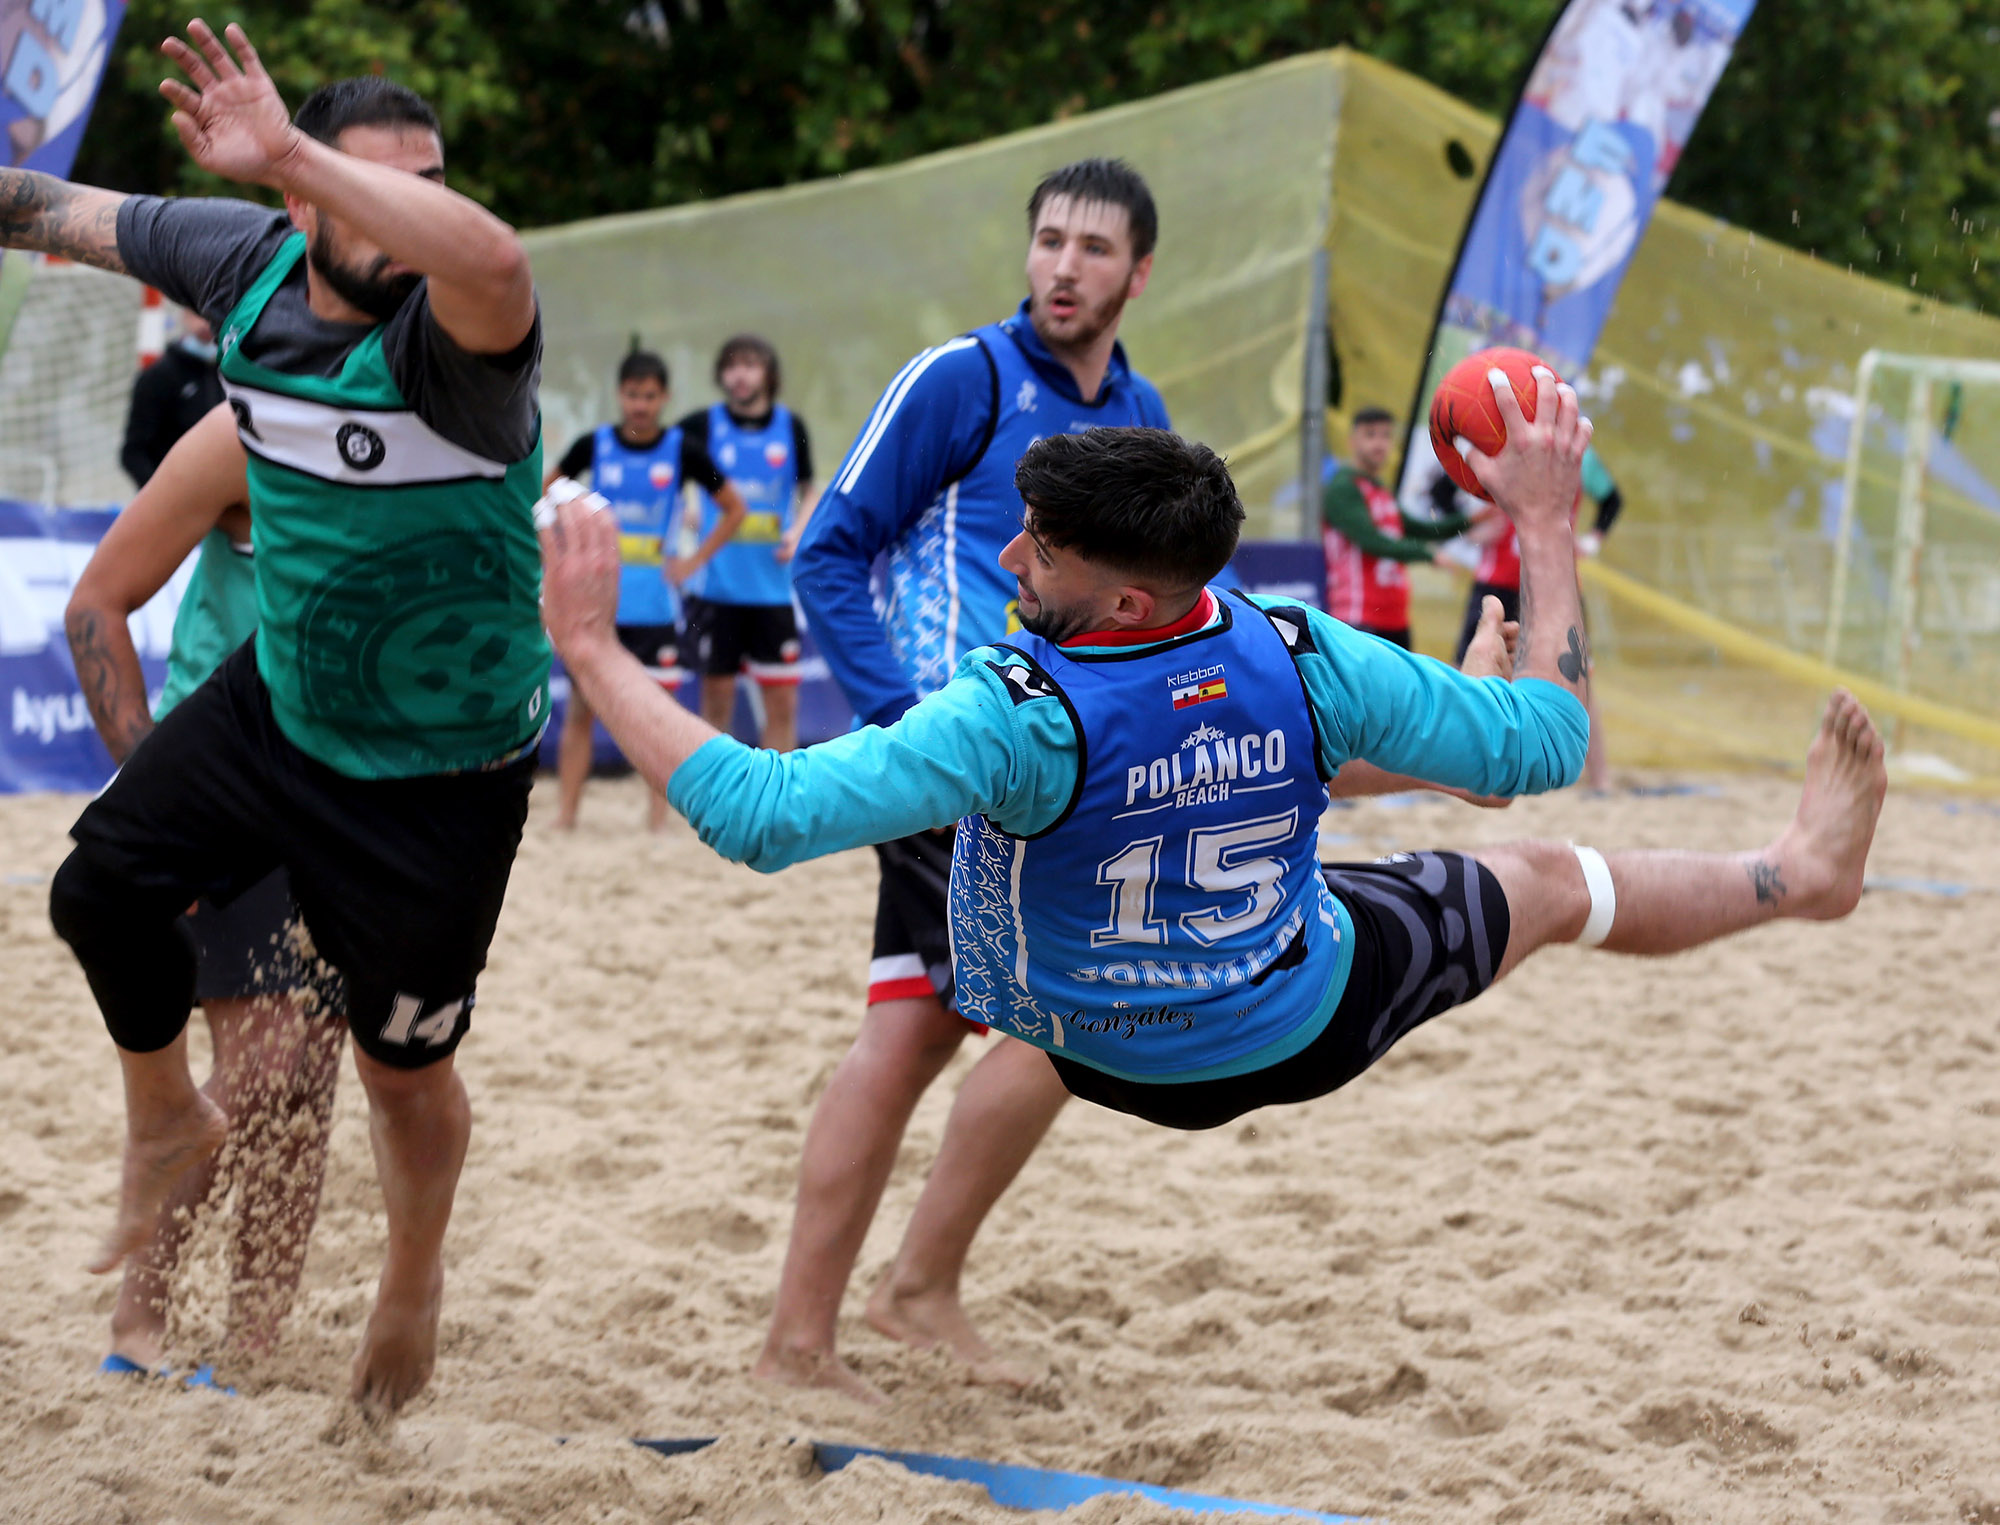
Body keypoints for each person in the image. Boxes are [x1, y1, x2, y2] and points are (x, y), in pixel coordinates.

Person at [539, 379, 1883, 1245]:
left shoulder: (1008, 712)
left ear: (1125, 597)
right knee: (1534, 873)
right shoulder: (1295, 647)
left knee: (1074, 893)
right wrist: (1541, 519)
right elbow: (1554, 737)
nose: (1008, 556)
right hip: (1292, 1024)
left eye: (1037, 546)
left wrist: (592, 649)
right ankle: (1790, 874)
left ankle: (1777, 866)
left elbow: (759, 814)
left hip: (1089, 1043)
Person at [7, 22, 548, 1412]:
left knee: (400, 1074)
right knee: (100, 888)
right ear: (300, 216)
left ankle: (411, 1277)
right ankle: (163, 1121)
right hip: (282, 706)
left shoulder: (460, 343)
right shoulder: (242, 264)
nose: (408, 219)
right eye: (375, 193)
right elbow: (43, 207)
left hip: (443, 768)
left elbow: (496, 261)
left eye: (424, 188)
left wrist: (299, 154)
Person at [770, 157, 1172, 1396]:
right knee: (1074, 1019)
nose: (1063, 265)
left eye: (1092, 248)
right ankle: (892, 1298)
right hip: (959, 758)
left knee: (917, 1029)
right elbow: (823, 552)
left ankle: (838, 1323)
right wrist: (909, 727)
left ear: (1137, 273)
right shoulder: (963, 378)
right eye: (1048, 239)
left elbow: (1148, 608)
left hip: (1059, 778)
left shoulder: (1141, 414)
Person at [69, 403, 345, 1372]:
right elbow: (94, 605)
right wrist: (158, 791)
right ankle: (138, 1320)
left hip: (354, 796)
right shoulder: (247, 429)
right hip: (228, 785)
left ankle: (252, 1346)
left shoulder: (420, 431)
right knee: (264, 1058)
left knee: (309, 1078)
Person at [545, 350, 746, 828]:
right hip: (601, 608)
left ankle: (657, 824)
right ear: (620, 395)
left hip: (657, 608)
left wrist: (693, 560)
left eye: (650, 396)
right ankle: (566, 819)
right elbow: (545, 494)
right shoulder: (593, 445)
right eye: (633, 395)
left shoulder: (683, 450)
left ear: (664, 398)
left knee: (658, 720)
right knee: (580, 713)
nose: (640, 405)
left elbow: (734, 508)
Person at [1449, 442, 1622, 787]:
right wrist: (1468, 530)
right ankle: (1451, 772)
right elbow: (1443, 494)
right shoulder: (1493, 444)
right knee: (1467, 670)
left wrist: (1592, 541)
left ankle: (1600, 780)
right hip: (1499, 579)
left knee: (1578, 676)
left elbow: (1612, 500)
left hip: (1554, 581)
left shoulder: (1575, 451)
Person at [678, 334, 818, 752]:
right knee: (716, 701)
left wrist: (798, 532)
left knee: (782, 705)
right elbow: (658, 466)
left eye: (750, 365)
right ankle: (714, 788)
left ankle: (779, 789)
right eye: (731, 366)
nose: (740, 375)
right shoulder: (702, 426)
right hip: (716, 590)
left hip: (772, 590)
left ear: (768, 374)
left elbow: (810, 490)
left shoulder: (790, 427)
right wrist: (686, 511)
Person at [1322, 405, 1482, 648]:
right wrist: (1428, 554)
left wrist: (1474, 519)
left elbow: (1422, 529)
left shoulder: (1380, 490)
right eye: (1370, 435)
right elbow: (1373, 541)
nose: (1379, 443)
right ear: (1352, 442)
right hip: (1358, 617)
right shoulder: (1343, 488)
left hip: (1395, 618)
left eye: (1386, 436)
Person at [120, 308, 224, 487]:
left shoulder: (235, 372)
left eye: (211, 315)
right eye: (197, 313)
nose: (205, 323)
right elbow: (133, 452)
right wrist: (165, 493)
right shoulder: (159, 376)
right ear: (184, 313)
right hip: (179, 493)